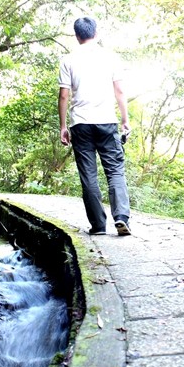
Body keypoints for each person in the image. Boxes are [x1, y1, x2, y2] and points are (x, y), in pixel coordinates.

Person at [57, 16, 132, 236]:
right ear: (95, 33)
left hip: (80, 123)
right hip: (107, 121)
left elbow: (63, 95)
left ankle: (98, 226)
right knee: (115, 171)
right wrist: (125, 119)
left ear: (77, 35)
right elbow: (120, 91)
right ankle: (121, 218)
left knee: (88, 175)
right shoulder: (110, 58)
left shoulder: (67, 60)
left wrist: (63, 126)